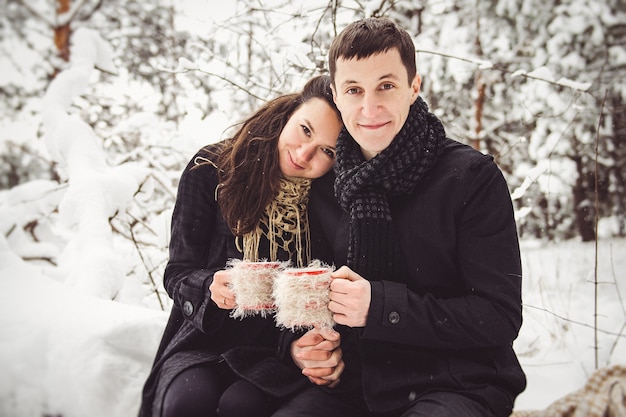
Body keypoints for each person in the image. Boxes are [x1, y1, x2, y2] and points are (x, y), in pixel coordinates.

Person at [275, 17, 526, 417]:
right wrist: (306, 346)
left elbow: (498, 316)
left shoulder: (470, 178)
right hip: (355, 385)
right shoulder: (325, 185)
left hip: (456, 382)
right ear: (337, 96)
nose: (369, 107)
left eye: (386, 86)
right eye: (354, 90)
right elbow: (311, 297)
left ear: (414, 88)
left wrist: (379, 306)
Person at [138, 75, 345, 417]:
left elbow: (317, 300)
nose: (305, 153)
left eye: (327, 150)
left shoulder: (327, 203)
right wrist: (209, 286)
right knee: (189, 403)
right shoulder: (212, 171)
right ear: (289, 114)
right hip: (202, 342)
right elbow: (178, 272)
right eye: (305, 130)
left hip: (274, 353)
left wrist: (303, 348)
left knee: (242, 407)